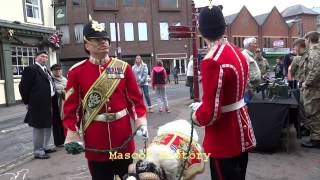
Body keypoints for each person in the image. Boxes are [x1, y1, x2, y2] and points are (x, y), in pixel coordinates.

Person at [63, 17, 148, 180]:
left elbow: (136, 100)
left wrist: (140, 122)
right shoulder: (76, 72)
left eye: (105, 38)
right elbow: (71, 109)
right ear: (87, 45)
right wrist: (71, 133)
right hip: (96, 142)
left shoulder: (123, 68)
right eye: (97, 40)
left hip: (123, 139)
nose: (104, 42)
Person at [189, 5, 256, 180]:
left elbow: (210, 113)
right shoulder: (237, 52)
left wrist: (196, 115)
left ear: (200, 31)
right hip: (240, 127)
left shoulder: (211, 60)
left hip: (223, 137)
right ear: (224, 27)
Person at [19, 50, 57, 159]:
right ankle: (38, 150)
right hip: (37, 104)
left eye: (46, 57)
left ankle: (45, 146)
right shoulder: (31, 69)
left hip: (48, 102)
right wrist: (28, 102)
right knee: (39, 127)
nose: (44, 58)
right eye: (42, 56)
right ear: (36, 58)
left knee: (47, 125)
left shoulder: (46, 70)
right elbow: (23, 87)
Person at [301, 31, 320, 148]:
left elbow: (316, 70)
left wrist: (306, 83)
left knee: (313, 114)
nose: (304, 42)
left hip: (314, 89)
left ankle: (316, 139)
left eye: (305, 40)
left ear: (308, 39)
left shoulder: (314, 53)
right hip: (316, 88)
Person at [50, 64, 67, 147]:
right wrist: (64, 90)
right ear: (52, 71)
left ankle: (66, 139)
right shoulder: (51, 80)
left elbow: (70, 89)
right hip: (56, 105)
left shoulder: (65, 79)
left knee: (65, 123)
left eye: (59, 69)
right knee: (57, 124)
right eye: (56, 70)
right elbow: (57, 90)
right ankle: (59, 142)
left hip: (65, 104)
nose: (58, 71)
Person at [242, 37, 261, 101]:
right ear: (249, 45)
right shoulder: (244, 55)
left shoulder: (250, 55)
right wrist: (249, 87)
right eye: (255, 43)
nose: (256, 45)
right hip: (248, 89)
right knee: (248, 107)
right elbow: (243, 72)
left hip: (252, 88)